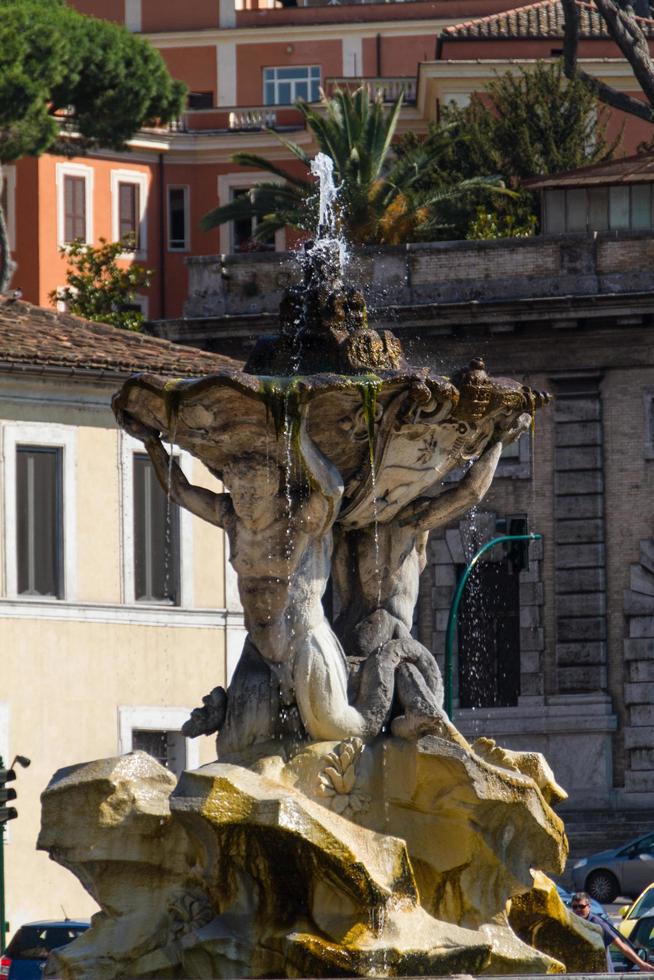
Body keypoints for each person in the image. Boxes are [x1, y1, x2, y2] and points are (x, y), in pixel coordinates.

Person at [571, 891, 654, 972]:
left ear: (589, 906)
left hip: (602, 974)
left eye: (581, 906)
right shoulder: (572, 923)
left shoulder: (598, 924)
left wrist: (641, 964)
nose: (578, 910)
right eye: (575, 907)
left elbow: (621, 946)